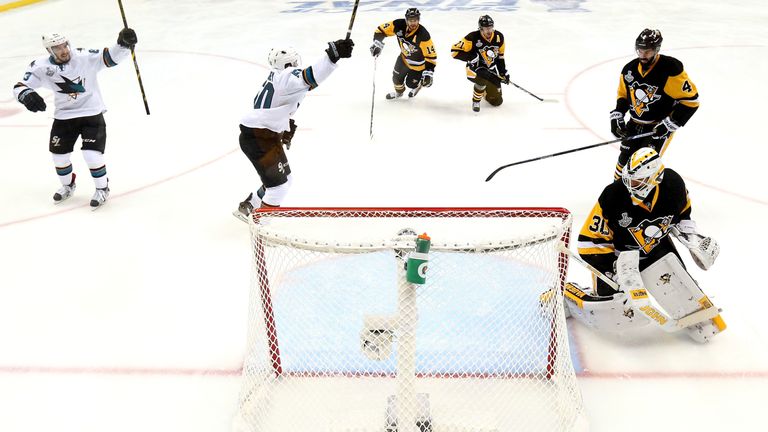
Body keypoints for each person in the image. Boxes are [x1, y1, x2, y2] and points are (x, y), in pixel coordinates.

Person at [563, 148, 724, 342]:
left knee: (685, 293)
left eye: (637, 182)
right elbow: (588, 241)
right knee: (615, 310)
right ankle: (570, 298)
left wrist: (694, 240)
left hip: (656, 249)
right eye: (628, 180)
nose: (630, 186)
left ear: (655, 178)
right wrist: (611, 270)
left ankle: (691, 313)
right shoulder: (613, 196)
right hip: (617, 257)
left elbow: (683, 217)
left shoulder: (673, 185)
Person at [13, 29, 138, 209]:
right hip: (64, 116)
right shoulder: (39, 66)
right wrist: (26, 95)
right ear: (49, 51)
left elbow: (110, 58)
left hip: (91, 113)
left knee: (92, 155)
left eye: (65, 45)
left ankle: (102, 188)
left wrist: (123, 44)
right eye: (57, 48)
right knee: (59, 157)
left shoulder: (84, 57)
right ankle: (68, 185)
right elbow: (20, 86)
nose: (64, 50)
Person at [233, 39, 354, 222]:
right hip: (259, 139)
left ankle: (250, 205)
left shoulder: (277, 77)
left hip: (262, 136)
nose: (297, 65)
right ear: (289, 63)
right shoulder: (287, 77)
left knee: (285, 180)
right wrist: (332, 57)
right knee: (278, 188)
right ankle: (260, 226)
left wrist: (284, 125)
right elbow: (310, 76)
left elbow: (279, 103)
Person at [609, 29, 700, 179]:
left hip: (657, 128)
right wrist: (617, 114)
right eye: (640, 50)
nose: (643, 55)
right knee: (623, 163)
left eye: (648, 51)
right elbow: (624, 95)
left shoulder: (670, 69)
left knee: (643, 167)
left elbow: (691, 101)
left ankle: (641, 199)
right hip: (633, 124)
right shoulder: (629, 70)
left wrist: (670, 124)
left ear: (657, 49)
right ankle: (617, 195)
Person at [369, 8, 437, 100]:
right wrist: (378, 43)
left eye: (415, 20)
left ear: (419, 20)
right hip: (403, 59)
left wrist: (428, 74)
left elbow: (431, 56)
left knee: (411, 84)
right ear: (406, 20)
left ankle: (419, 85)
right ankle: (399, 93)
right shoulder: (398, 25)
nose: (413, 23)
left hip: (418, 65)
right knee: (396, 79)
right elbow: (380, 30)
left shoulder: (423, 34)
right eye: (410, 21)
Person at [451, 14, 509, 112]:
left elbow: (500, 57)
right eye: (486, 28)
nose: (489, 31)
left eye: (490, 28)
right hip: (475, 68)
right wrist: (472, 57)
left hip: (491, 69)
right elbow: (454, 51)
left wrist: (503, 72)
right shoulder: (472, 37)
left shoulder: (499, 37)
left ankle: (484, 92)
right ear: (480, 29)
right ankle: (476, 100)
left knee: (497, 101)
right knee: (483, 78)